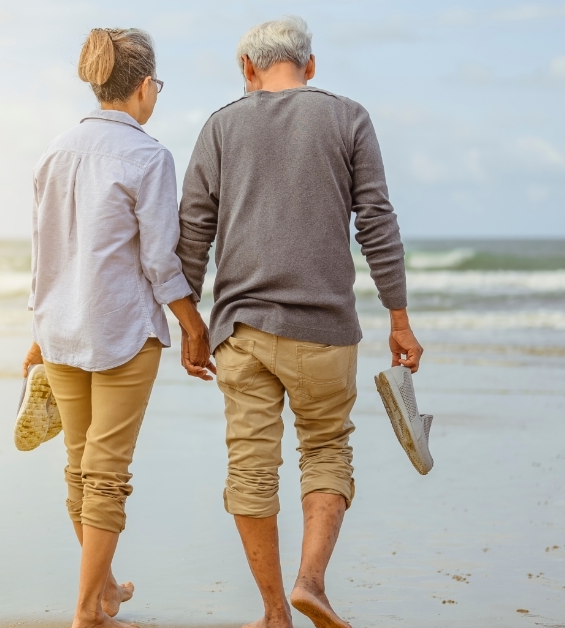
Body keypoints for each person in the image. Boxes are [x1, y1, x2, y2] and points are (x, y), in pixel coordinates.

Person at [175, 16, 425, 628]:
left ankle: (272, 613)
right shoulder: (348, 117)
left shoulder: (220, 126)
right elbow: (377, 223)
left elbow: (192, 234)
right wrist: (398, 317)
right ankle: (310, 583)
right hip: (325, 330)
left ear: (247, 69)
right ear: (310, 66)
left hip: (242, 331)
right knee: (326, 448)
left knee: (250, 466)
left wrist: (191, 325)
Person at [22, 27, 212, 628]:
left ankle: (103, 591)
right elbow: (159, 260)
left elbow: (44, 255)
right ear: (144, 86)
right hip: (122, 331)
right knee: (105, 473)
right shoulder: (149, 156)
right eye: (158, 85)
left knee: (81, 466)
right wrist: (192, 324)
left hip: (60, 330)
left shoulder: (54, 152)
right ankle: (88, 613)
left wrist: (38, 331)